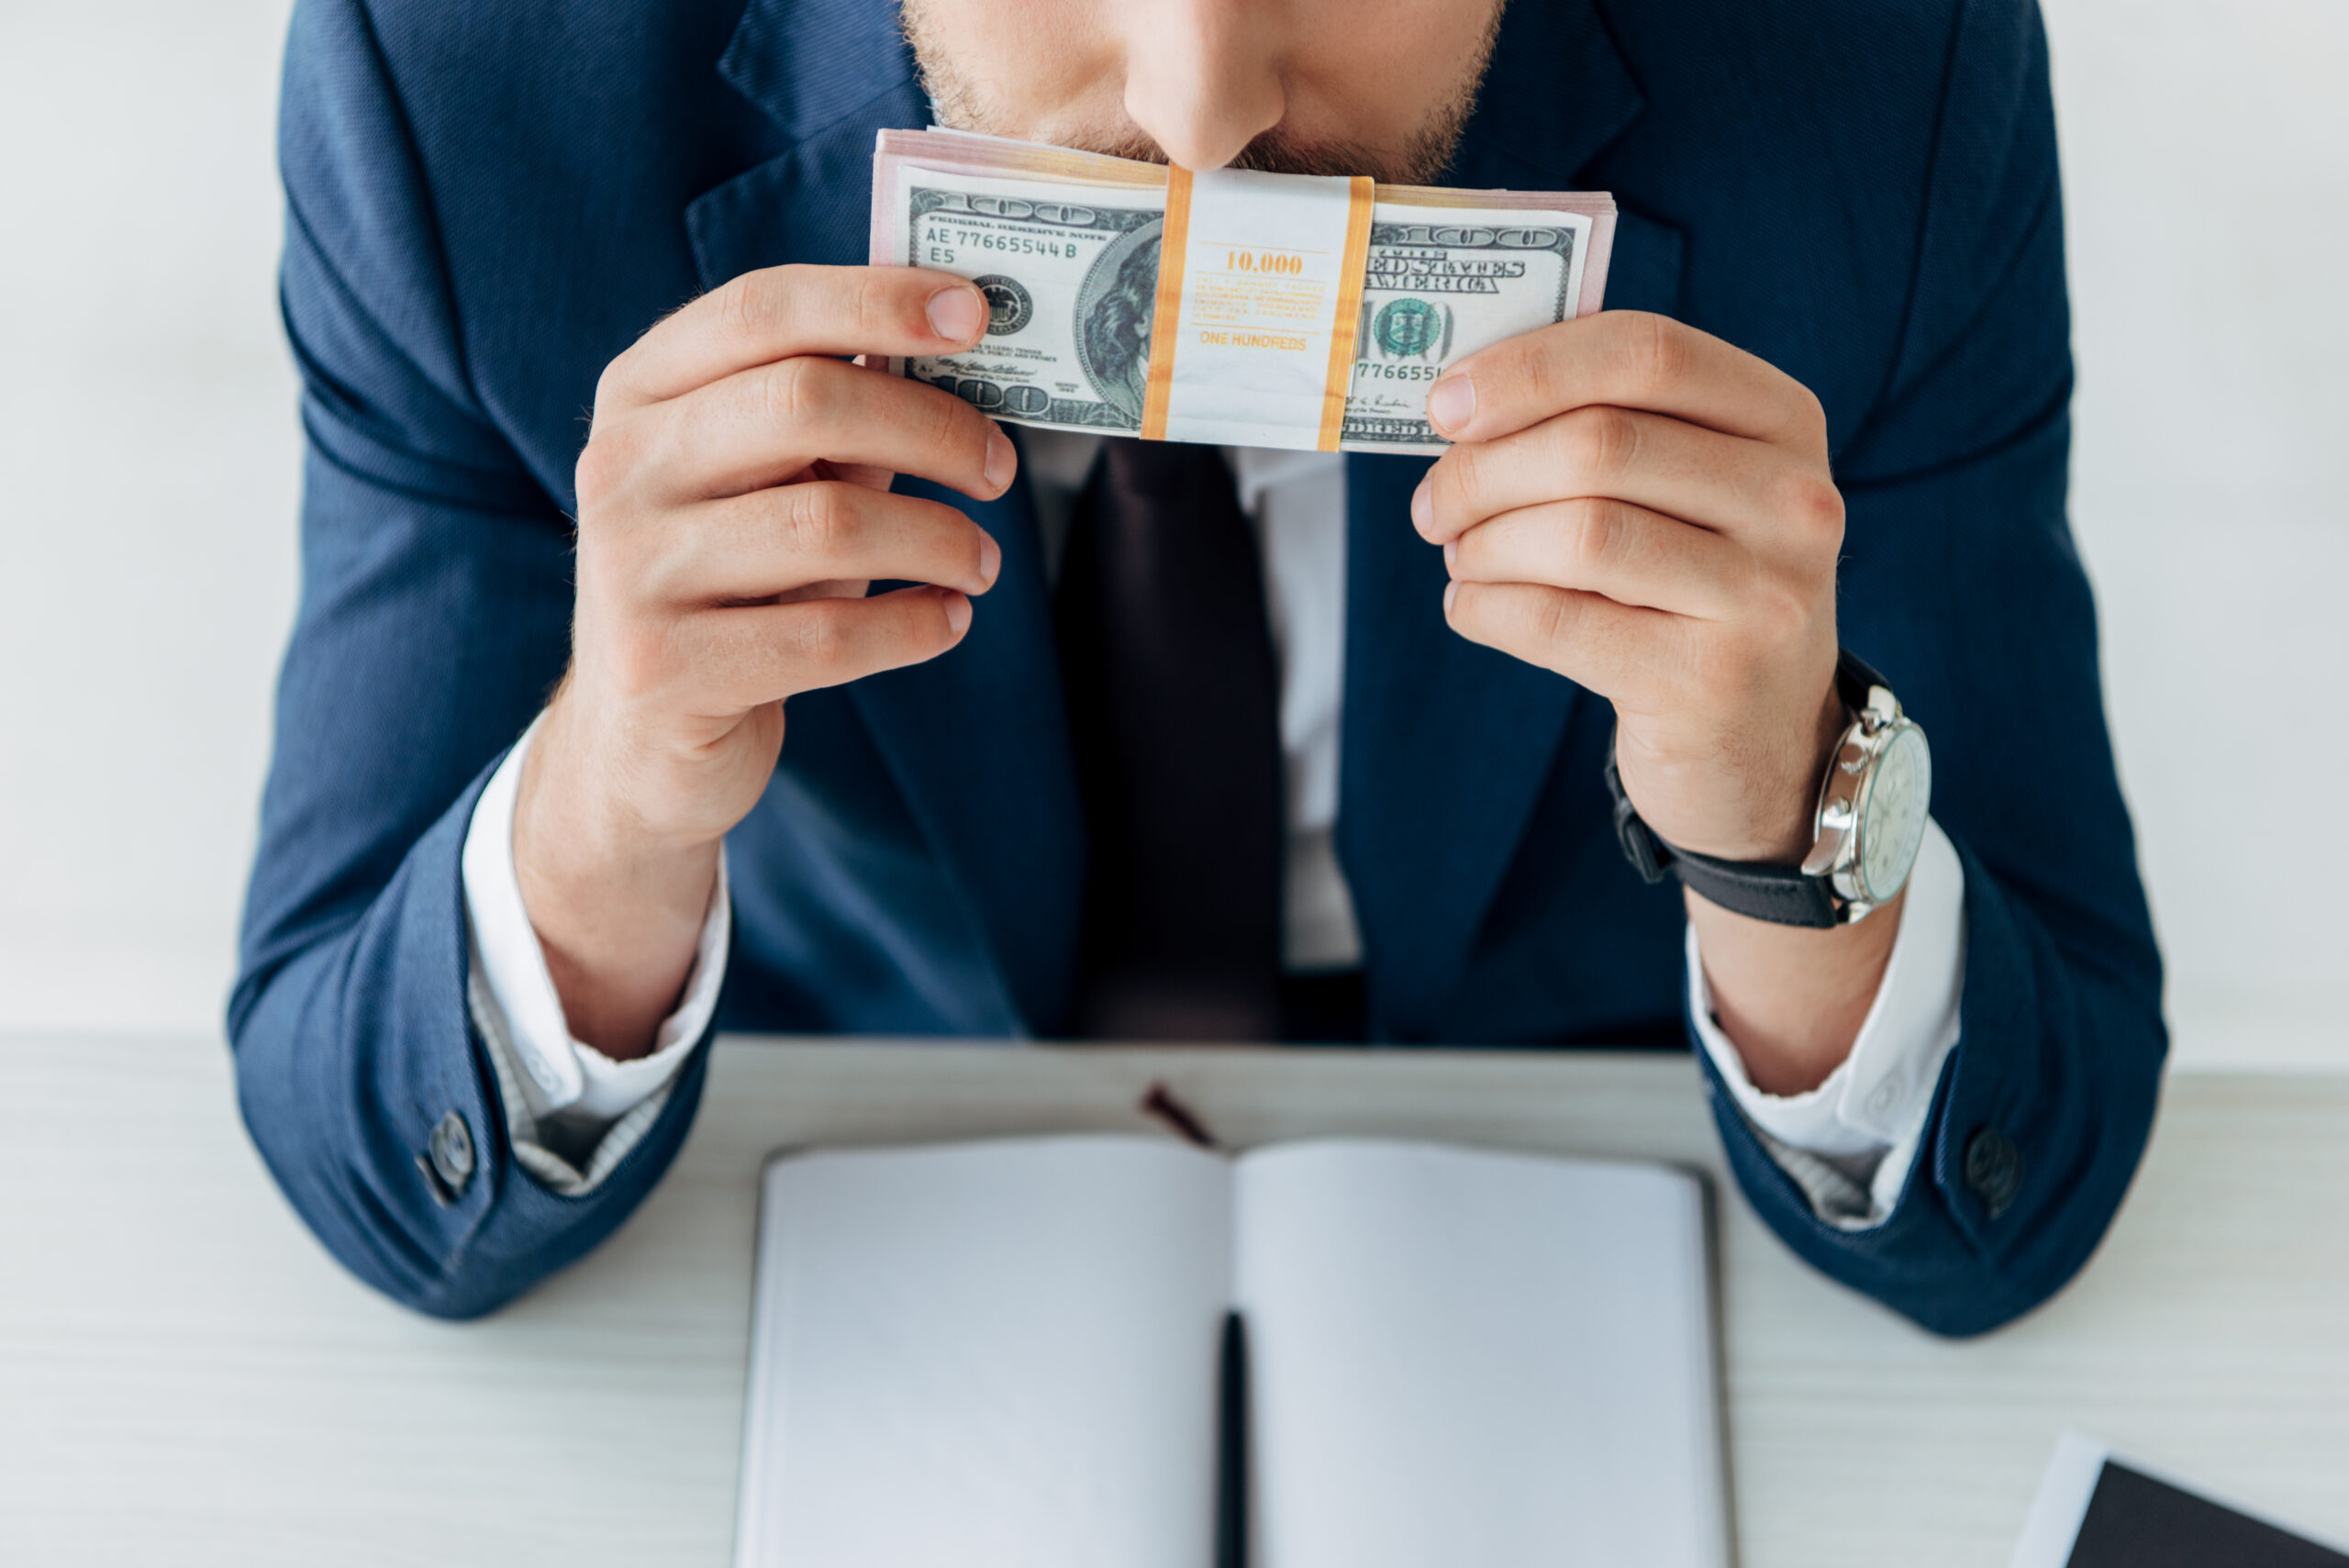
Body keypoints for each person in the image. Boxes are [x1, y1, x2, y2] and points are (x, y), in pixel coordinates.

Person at [235, 0, 2165, 1332]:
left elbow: (2024, 1184)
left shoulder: (1886, 76)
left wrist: (1780, 822)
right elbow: (356, 1137)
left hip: (1573, 1146)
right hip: (841, 1125)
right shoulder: (459, 83)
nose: (1200, 108)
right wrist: (602, 816)